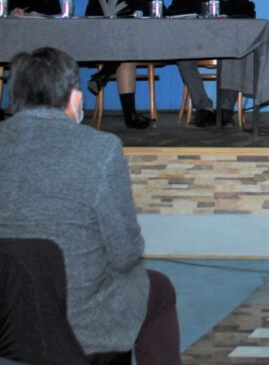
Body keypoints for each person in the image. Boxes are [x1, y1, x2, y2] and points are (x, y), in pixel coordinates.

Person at [0, 47, 180, 363]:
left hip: (7, 318)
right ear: (73, 96)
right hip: (80, 320)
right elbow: (125, 253)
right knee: (157, 289)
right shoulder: (100, 149)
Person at [168, 0, 255, 127]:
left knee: (234, 52)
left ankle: (225, 109)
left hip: (226, 41)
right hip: (196, 42)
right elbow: (173, 12)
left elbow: (248, 10)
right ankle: (203, 108)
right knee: (182, 56)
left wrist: (228, 15)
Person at [85, 0, 154, 129]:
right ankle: (130, 115)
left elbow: (160, 12)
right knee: (125, 53)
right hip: (108, 42)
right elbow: (90, 13)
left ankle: (104, 74)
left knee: (128, 48)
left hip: (143, 42)